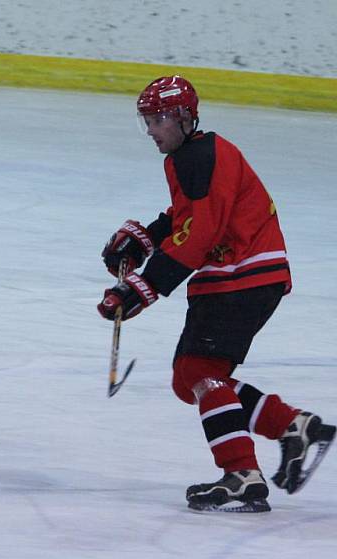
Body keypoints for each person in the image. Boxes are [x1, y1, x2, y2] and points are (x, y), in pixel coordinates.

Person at [97, 76, 335, 513]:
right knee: (188, 378)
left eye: (157, 120)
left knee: (201, 372)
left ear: (184, 117)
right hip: (233, 275)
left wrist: (141, 289)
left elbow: (201, 234)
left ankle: (242, 474)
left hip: (244, 273)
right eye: (145, 121)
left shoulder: (203, 156)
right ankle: (293, 427)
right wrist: (146, 239)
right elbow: (188, 216)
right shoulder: (188, 157)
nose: (150, 129)